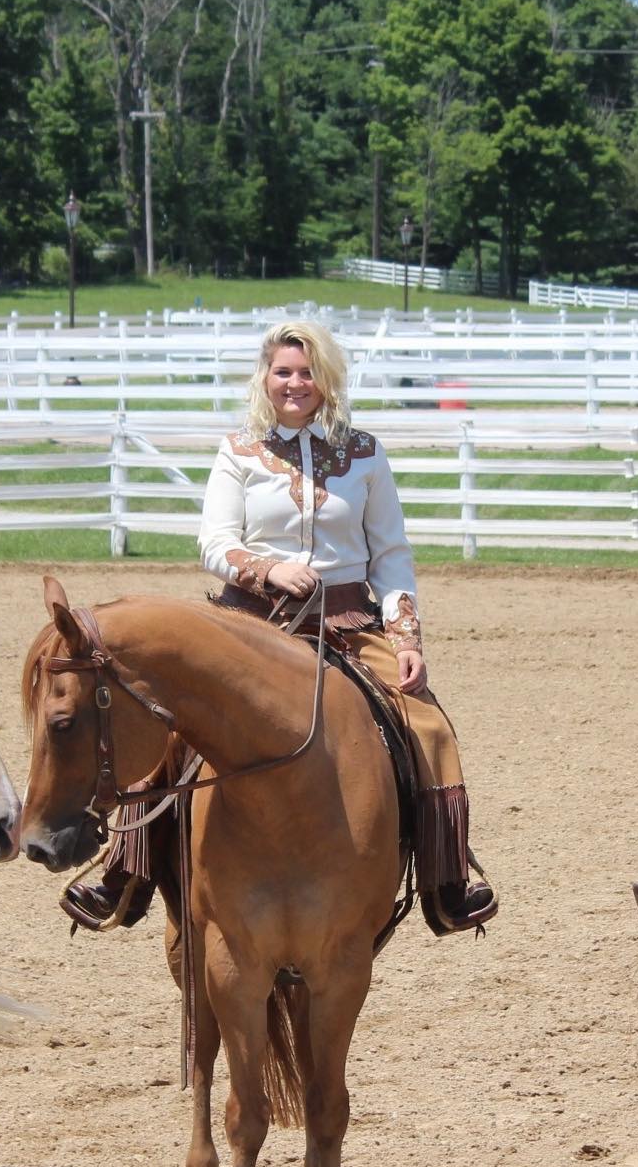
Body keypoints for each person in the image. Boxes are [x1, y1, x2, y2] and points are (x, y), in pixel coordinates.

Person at [62, 319, 497, 935]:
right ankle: (124, 872)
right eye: (283, 371)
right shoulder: (238, 450)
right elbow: (214, 542)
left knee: (427, 725)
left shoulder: (365, 454)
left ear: (327, 379)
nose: (295, 383)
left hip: (347, 622)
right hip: (247, 623)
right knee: (171, 729)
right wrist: (267, 569)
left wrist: (406, 639)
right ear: (265, 378)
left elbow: (391, 555)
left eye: (307, 372)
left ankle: (445, 880)